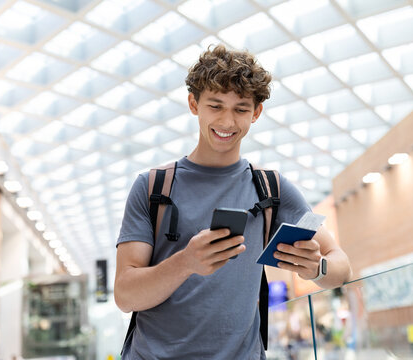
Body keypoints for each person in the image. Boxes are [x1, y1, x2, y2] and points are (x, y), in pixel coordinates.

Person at [114, 44, 352, 359]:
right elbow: (125, 294)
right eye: (216, 106)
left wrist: (315, 267)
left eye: (240, 109)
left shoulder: (272, 190)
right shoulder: (153, 187)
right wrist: (186, 262)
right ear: (193, 104)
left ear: (256, 113)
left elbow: (341, 266)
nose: (227, 122)